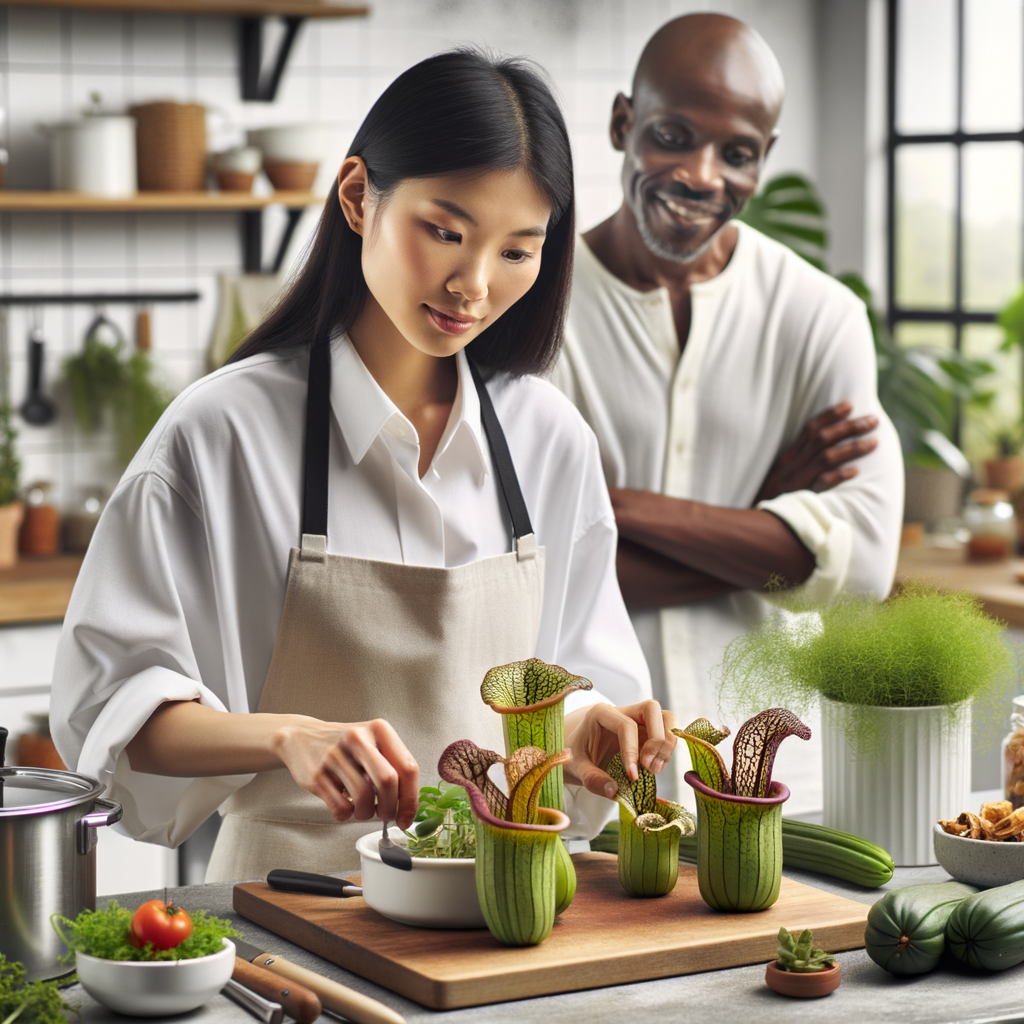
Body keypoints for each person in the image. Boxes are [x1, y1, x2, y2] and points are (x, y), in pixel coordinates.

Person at [51, 50, 673, 881]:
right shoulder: (221, 433)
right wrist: (287, 734)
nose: (473, 285)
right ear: (358, 199)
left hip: (496, 918)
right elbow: (113, 715)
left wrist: (587, 725)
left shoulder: (549, 441)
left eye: (518, 251)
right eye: (446, 233)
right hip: (289, 922)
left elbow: (573, 673)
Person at [549, 14, 904, 811]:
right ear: (622, 124)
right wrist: (757, 524)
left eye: (736, 152)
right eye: (673, 135)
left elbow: (862, 573)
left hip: (780, 785)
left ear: (763, 160)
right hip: (587, 786)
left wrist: (609, 512)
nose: (702, 175)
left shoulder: (822, 316)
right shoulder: (533, 303)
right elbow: (526, 578)